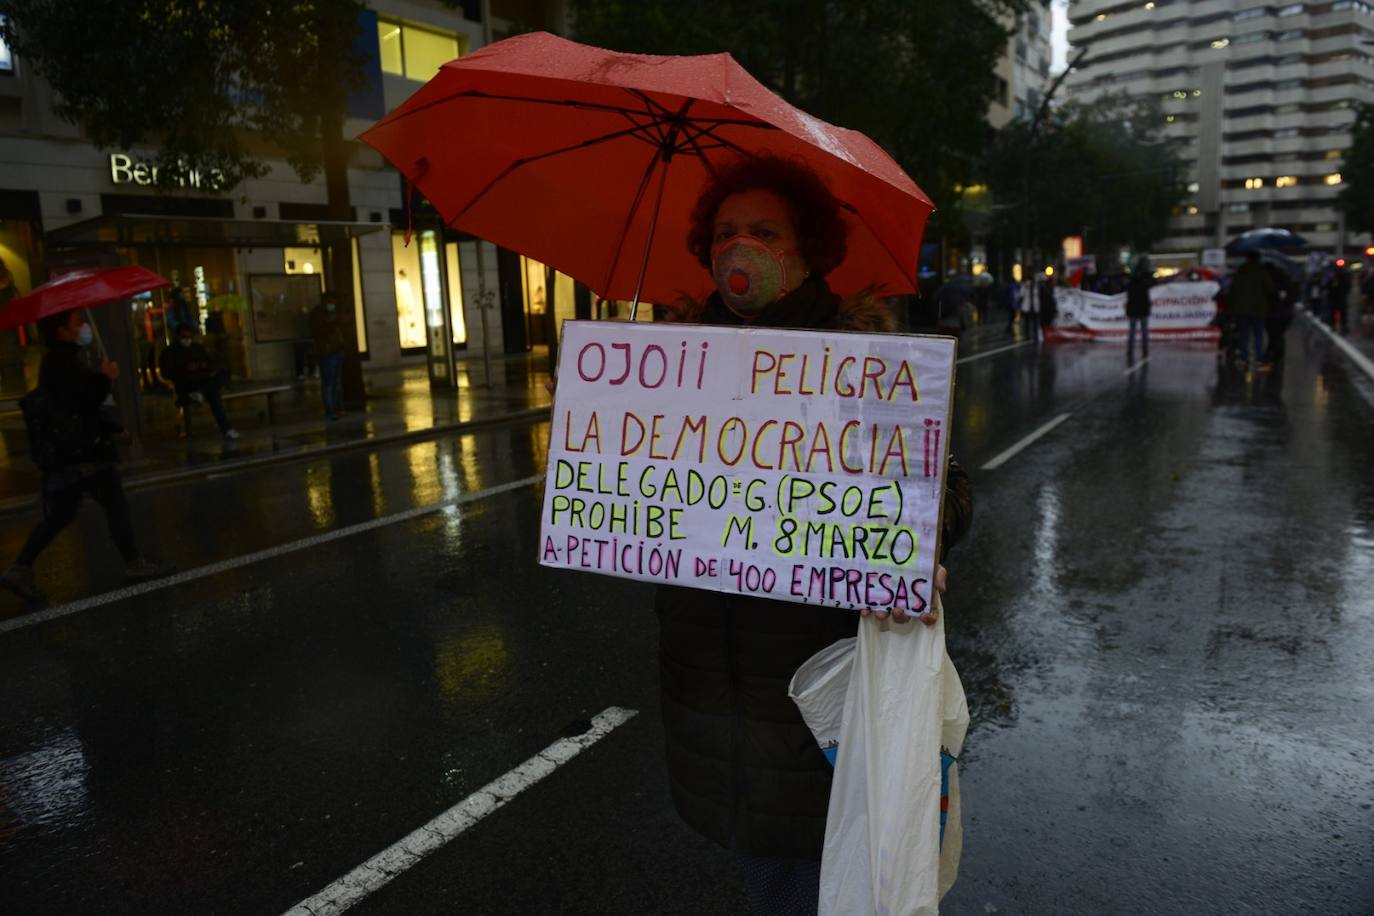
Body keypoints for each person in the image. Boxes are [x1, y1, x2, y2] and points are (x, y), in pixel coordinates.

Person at [658, 154, 974, 914]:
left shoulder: (864, 359)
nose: (742, 248)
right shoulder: (673, 364)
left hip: (818, 690)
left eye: (765, 231)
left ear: (810, 249)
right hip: (711, 691)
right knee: (768, 866)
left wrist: (916, 550)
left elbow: (949, 490)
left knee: (825, 871)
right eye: (725, 232)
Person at [1, 310, 173, 606]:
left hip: (73, 455)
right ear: (61, 331)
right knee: (113, 502)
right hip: (83, 455)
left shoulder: (62, 359)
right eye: (76, 323)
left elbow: (79, 407)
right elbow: (81, 403)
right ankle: (134, 562)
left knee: (62, 514)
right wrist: (106, 379)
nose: (82, 327)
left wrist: (113, 426)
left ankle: (20, 568)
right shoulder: (61, 361)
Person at [159, 324, 239, 438]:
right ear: (178, 337)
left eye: (189, 337)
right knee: (214, 394)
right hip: (186, 385)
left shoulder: (198, 348)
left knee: (224, 374)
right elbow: (166, 373)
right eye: (183, 337)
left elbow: (211, 364)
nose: (187, 340)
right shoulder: (169, 352)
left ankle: (201, 392)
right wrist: (185, 369)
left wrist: (202, 365)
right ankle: (227, 429)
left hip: (203, 380)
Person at [1229, 250, 1275, 369]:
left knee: (1244, 335)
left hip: (1241, 309)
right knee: (1258, 335)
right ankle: (1258, 359)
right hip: (1259, 309)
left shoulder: (1241, 271)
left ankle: (1244, 359)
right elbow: (1270, 289)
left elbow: (1233, 290)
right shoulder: (1263, 272)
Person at [310, 292, 346, 420]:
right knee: (329, 382)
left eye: (334, 302)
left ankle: (337, 407)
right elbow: (320, 331)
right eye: (330, 302)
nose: (332, 305)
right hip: (326, 352)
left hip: (337, 350)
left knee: (336, 381)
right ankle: (330, 410)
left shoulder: (334, 314)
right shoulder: (318, 315)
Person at [1126, 256, 1153, 360]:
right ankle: (1145, 351)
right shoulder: (1145, 281)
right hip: (1143, 309)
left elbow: (1128, 293)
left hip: (1132, 309)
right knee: (1144, 332)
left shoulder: (1131, 281)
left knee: (1132, 332)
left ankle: (1130, 350)